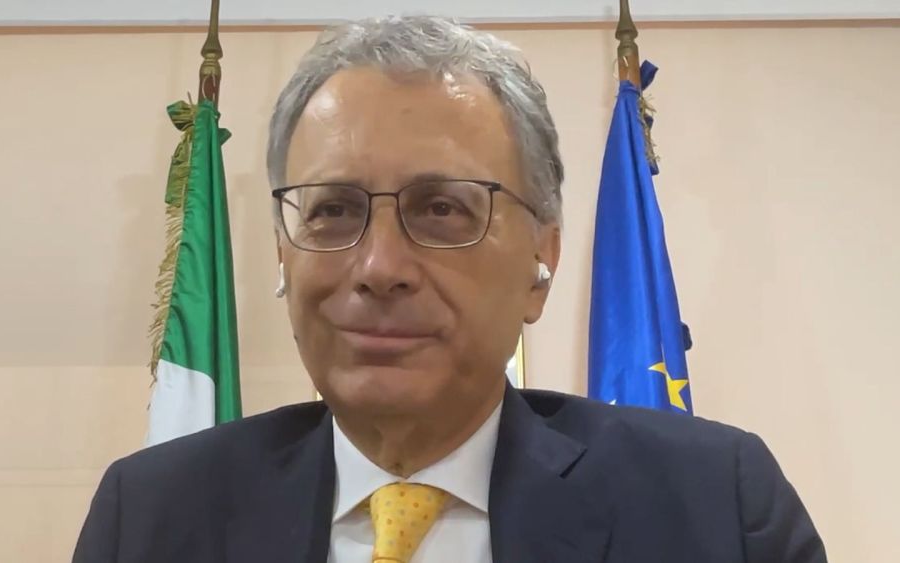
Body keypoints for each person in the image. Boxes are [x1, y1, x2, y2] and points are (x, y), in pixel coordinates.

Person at [73, 15, 826, 563]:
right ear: (282, 254)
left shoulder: (714, 511)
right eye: (333, 210)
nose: (379, 266)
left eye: (442, 209)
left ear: (541, 261)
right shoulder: (149, 519)